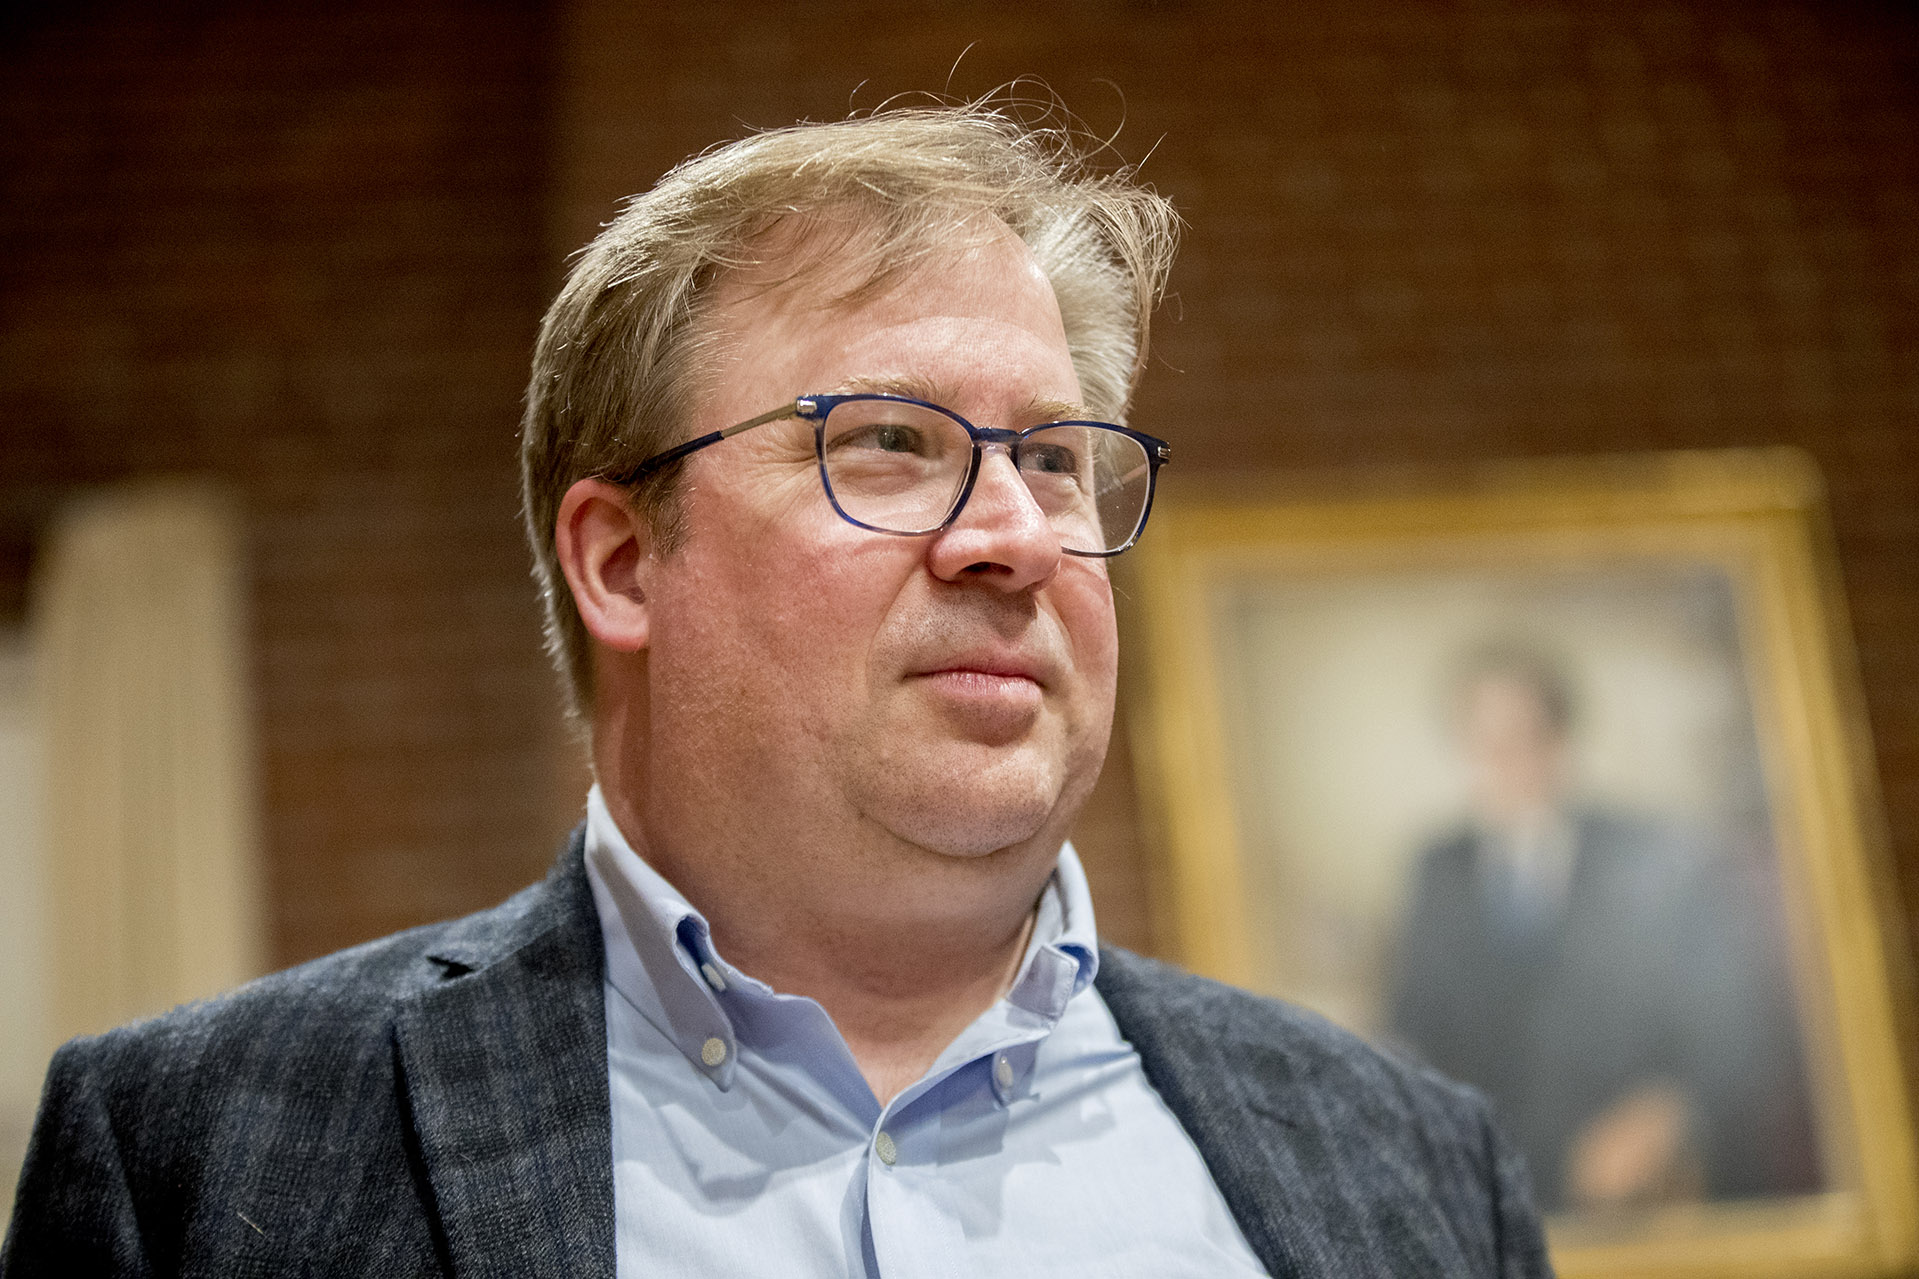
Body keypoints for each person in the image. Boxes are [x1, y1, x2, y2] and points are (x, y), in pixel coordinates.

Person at [5, 104, 1552, 1276]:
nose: (1013, 534)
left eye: (1055, 457)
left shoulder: (1413, 1165)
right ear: (620, 561)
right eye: (890, 441)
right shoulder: (197, 1159)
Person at [1387, 643, 1820, 1213]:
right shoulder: (1438, 872)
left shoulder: (1659, 859)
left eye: (1521, 735)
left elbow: (1740, 1032)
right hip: (1498, 1193)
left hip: (1655, 1195)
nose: (1503, 759)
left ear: (1560, 738)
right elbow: (1413, 1030)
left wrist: (1666, 1117)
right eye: (1482, 742)